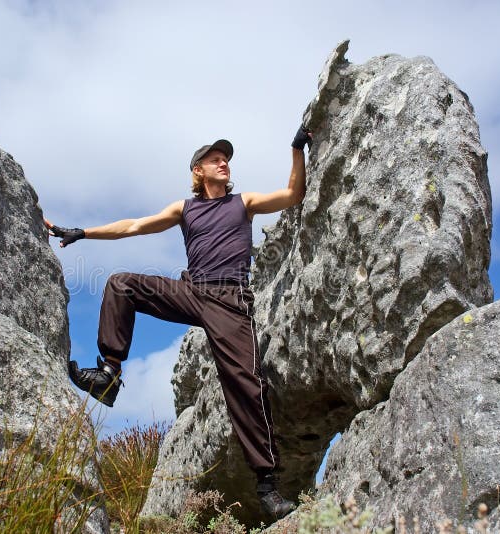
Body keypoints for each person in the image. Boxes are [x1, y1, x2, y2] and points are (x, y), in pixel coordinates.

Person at [45, 126, 311, 519]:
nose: (224, 162)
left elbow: (293, 194)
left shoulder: (244, 202)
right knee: (121, 285)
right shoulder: (184, 209)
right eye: (215, 158)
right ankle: (108, 374)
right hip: (191, 290)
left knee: (248, 387)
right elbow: (134, 226)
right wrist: (82, 232)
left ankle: (268, 488)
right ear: (198, 170)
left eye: (226, 159)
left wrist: (296, 149)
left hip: (230, 301)